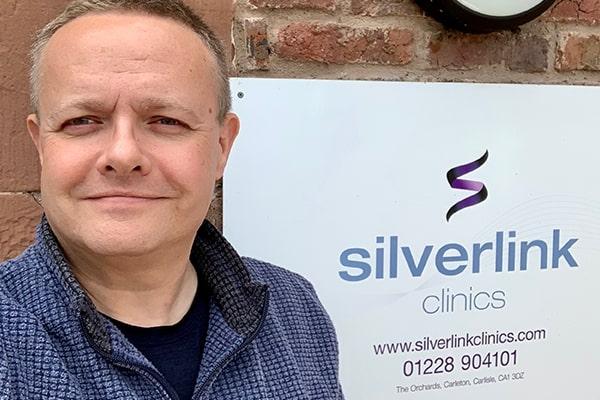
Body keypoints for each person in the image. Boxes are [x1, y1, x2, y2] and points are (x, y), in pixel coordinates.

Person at [0, 1, 343, 399]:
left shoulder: (295, 311)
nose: (123, 156)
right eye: (82, 121)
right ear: (42, 145)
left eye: (166, 121)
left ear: (221, 148)